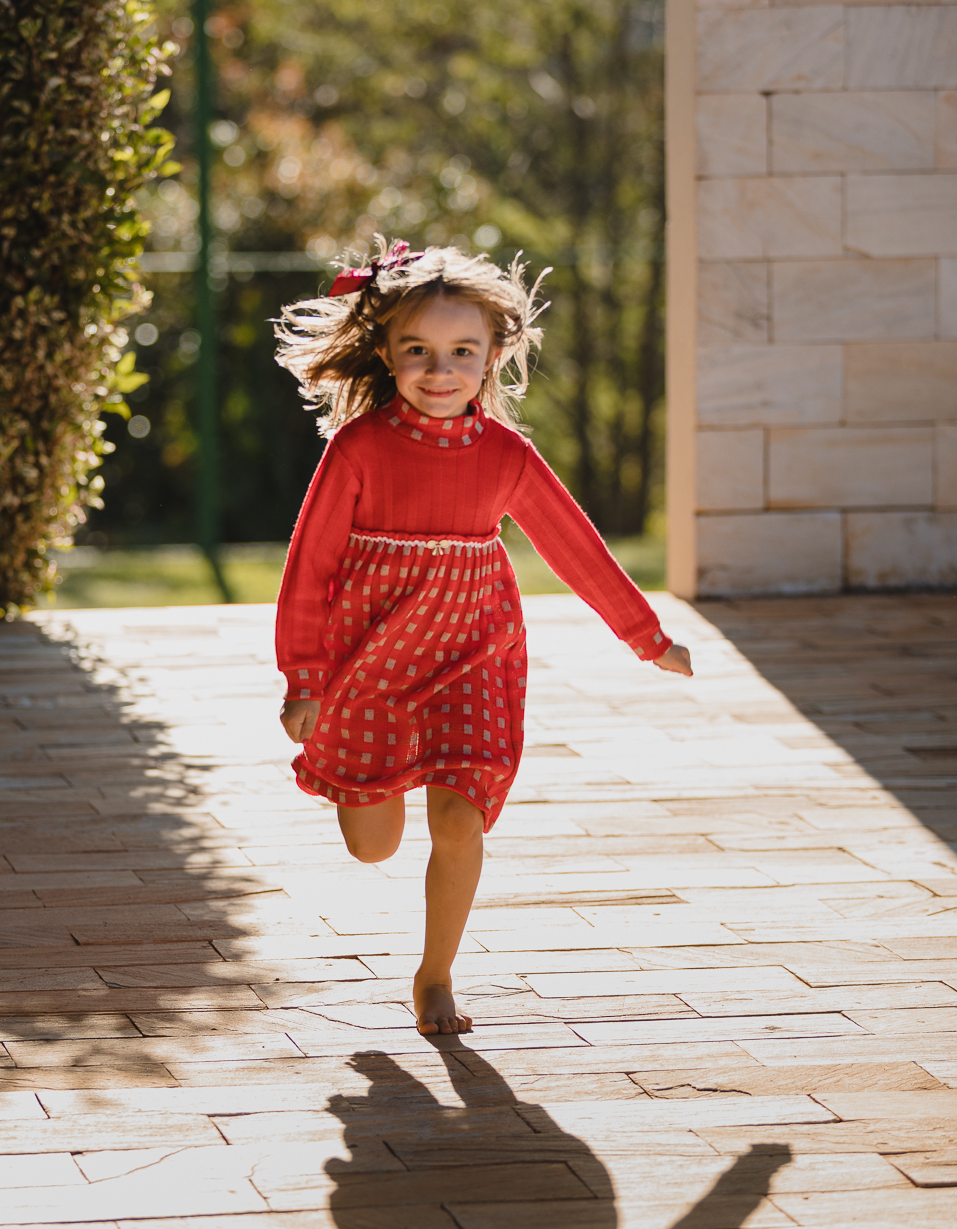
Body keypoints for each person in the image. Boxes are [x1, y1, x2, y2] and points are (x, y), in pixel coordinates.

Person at [274, 241, 692, 1038]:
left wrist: (647, 637)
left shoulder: (506, 455)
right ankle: (379, 779)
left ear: (493, 354)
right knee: (372, 845)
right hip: (371, 663)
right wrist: (303, 678)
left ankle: (436, 977)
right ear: (388, 356)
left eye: (462, 351)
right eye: (419, 352)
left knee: (461, 819)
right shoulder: (358, 449)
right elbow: (310, 566)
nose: (441, 370)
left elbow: (576, 548)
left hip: (474, 653)